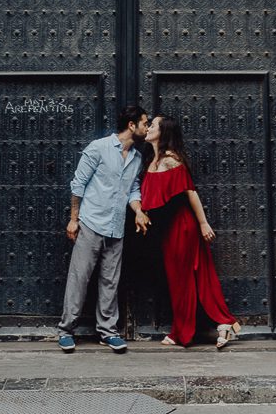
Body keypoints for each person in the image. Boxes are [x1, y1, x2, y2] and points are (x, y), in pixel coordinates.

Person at [140, 112, 241, 349]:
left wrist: (203, 223)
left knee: (182, 280)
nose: (148, 128)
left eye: (152, 125)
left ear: (162, 132)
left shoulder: (171, 160)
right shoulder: (153, 161)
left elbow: (190, 192)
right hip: (168, 229)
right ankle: (224, 324)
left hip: (182, 227)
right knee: (188, 279)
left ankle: (182, 332)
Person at [57, 104, 150, 353]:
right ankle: (66, 330)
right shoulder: (98, 148)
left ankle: (108, 332)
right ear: (132, 126)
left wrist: (139, 211)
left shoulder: (137, 158)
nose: (147, 127)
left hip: (116, 226)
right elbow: (78, 185)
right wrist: (74, 219)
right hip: (91, 222)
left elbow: (133, 189)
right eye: (145, 122)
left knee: (110, 280)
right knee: (80, 277)